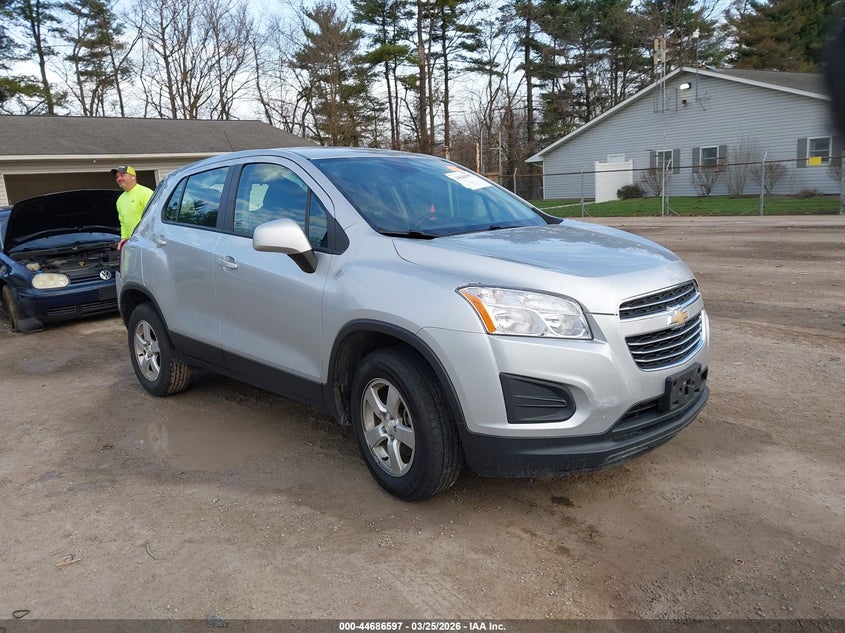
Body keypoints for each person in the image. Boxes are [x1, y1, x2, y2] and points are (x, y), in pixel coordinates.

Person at [111, 164, 153, 240]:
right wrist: (124, 239)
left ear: (133, 176)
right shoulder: (120, 200)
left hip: (149, 241)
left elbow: (154, 218)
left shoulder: (146, 193)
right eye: (117, 177)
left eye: (122, 175)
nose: (119, 179)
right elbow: (123, 223)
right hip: (133, 242)